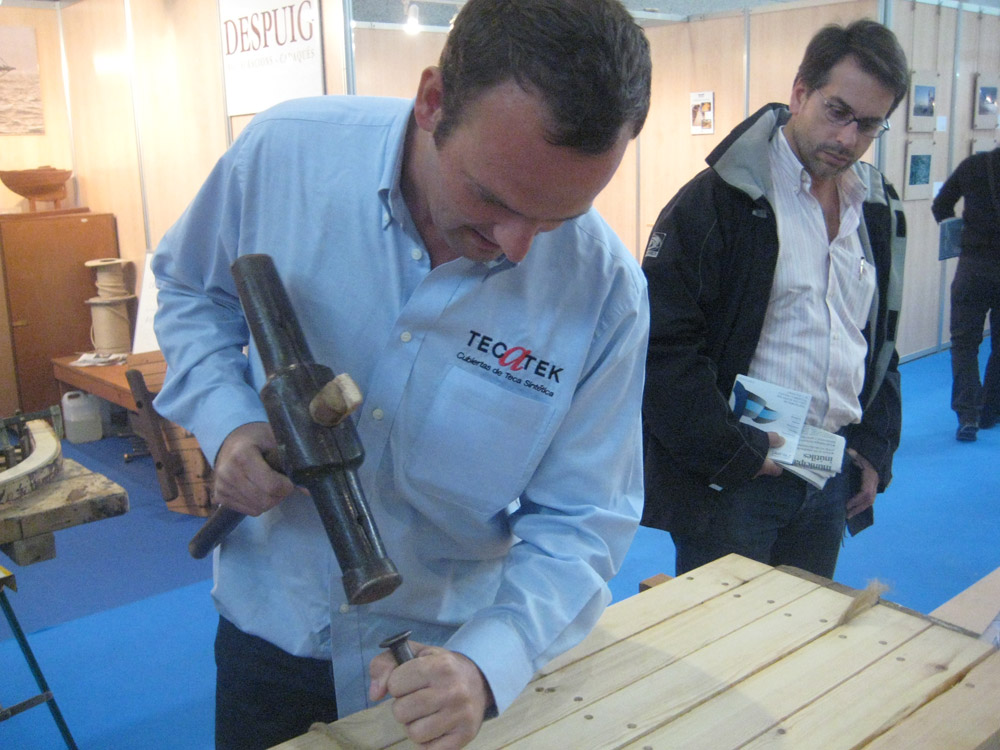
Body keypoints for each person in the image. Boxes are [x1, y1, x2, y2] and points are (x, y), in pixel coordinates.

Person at [150, 1, 652, 748]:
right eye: (491, 199)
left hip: (440, 660)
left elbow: (584, 521)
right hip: (271, 629)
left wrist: (486, 665)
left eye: (557, 218)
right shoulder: (284, 156)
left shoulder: (605, 293)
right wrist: (230, 423)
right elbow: (193, 292)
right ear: (433, 101)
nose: (517, 247)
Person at [641, 19, 908, 580]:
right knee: (722, 631)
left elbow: (876, 338)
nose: (848, 139)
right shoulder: (718, 201)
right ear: (800, 92)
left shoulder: (874, 208)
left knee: (803, 630)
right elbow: (662, 349)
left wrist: (874, 446)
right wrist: (733, 453)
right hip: (738, 481)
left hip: (827, 471)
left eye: (868, 125)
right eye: (837, 111)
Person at [931, 146, 1000, 441]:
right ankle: (990, 410)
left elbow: (941, 206)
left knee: (964, 343)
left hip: (973, 267)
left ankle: (967, 416)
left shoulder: (974, 165)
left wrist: (961, 234)